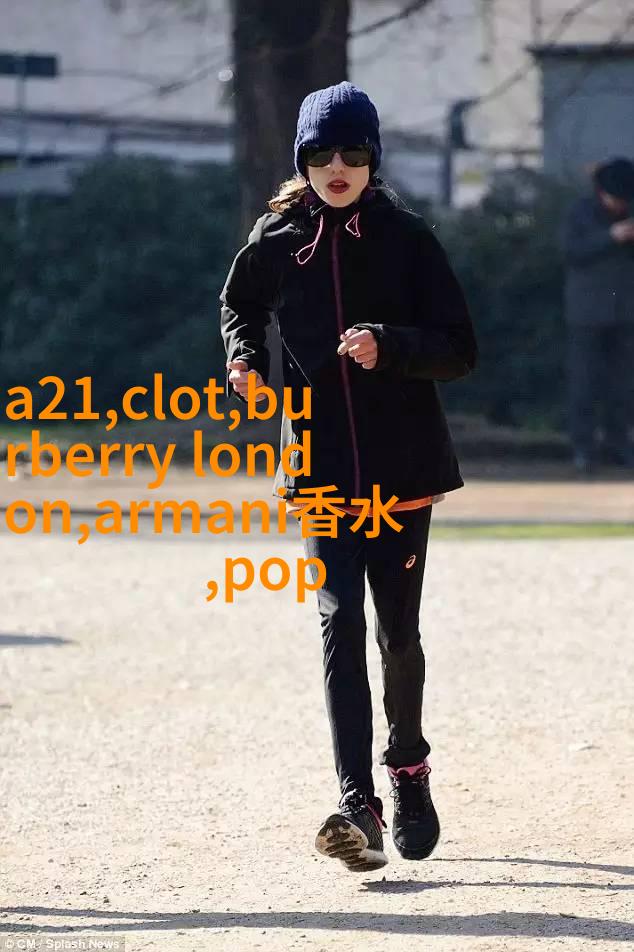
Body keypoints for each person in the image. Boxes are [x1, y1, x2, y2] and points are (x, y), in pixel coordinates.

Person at [220, 82, 477, 872]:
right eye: (322, 153)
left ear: (373, 159)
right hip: (320, 468)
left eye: (354, 153)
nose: (338, 166)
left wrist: (389, 345)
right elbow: (239, 304)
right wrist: (243, 359)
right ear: (303, 160)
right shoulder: (276, 237)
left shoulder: (407, 239)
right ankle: (357, 804)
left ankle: (409, 770)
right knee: (338, 625)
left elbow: (459, 348)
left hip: (401, 470)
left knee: (396, 634)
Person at [563, 157, 634, 476]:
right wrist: (611, 237)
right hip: (588, 312)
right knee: (585, 383)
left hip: (626, 311)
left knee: (623, 384)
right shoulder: (580, 212)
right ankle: (584, 448)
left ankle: (619, 445)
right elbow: (571, 250)